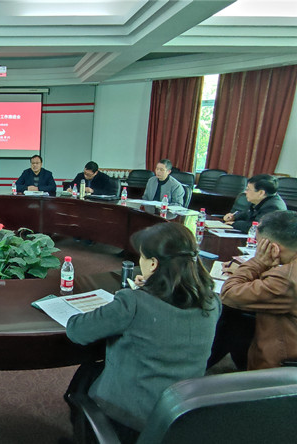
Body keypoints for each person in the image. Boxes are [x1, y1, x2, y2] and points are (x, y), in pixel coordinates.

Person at [65, 223, 220, 438]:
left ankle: (84, 435)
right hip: (179, 412)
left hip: (131, 417)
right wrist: (151, 287)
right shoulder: (212, 302)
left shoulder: (133, 303)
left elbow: (77, 331)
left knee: (82, 381)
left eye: (142, 257)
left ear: (154, 264)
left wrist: (138, 295)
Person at [218, 210, 297, 370]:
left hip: (280, 366)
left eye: (259, 245)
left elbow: (229, 294)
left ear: (273, 248)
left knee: (230, 322)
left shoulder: (285, 280)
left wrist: (257, 262)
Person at [223, 174, 287, 233]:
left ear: (261, 193)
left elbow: (257, 227)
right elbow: (247, 213)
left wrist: (234, 224)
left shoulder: (273, 207)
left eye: (248, 189)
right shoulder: (260, 200)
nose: (245, 192)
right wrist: (233, 217)